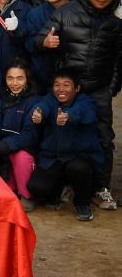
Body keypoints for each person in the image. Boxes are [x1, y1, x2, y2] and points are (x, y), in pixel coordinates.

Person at [35, 0, 121, 210]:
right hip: (68, 88)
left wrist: (111, 88)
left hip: (99, 89)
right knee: (63, 132)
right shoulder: (66, 13)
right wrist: (45, 42)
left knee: (104, 138)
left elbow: (118, 59)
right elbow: (38, 39)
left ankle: (100, 188)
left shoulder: (115, 21)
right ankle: (65, 183)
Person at [27, 69, 103, 221]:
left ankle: (82, 203)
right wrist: (37, 113)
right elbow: (42, 106)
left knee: (78, 169)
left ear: (77, 88)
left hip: (78, 157)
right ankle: (58, 192)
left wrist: (68, 116)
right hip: (54, 158)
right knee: (37, 187)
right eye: (57, 85)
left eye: (66, 85)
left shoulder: (86, 101)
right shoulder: (50, 99)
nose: (61, 89)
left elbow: (83, 112)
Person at [0, 62, 40, 211]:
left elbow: (30, 135)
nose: (14, 83)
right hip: (3, 147)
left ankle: (26, 195)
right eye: (10, 78)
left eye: (20, 78)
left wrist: (5, 145)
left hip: (22, 147)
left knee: (21, 157)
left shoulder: (35, 101)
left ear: (27, 79)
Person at [22, 0, 70, 92]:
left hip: (73, 72)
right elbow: (29, 44)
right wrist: (43, 42)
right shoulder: (35, 14)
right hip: (45, 76)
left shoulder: (79, 8)